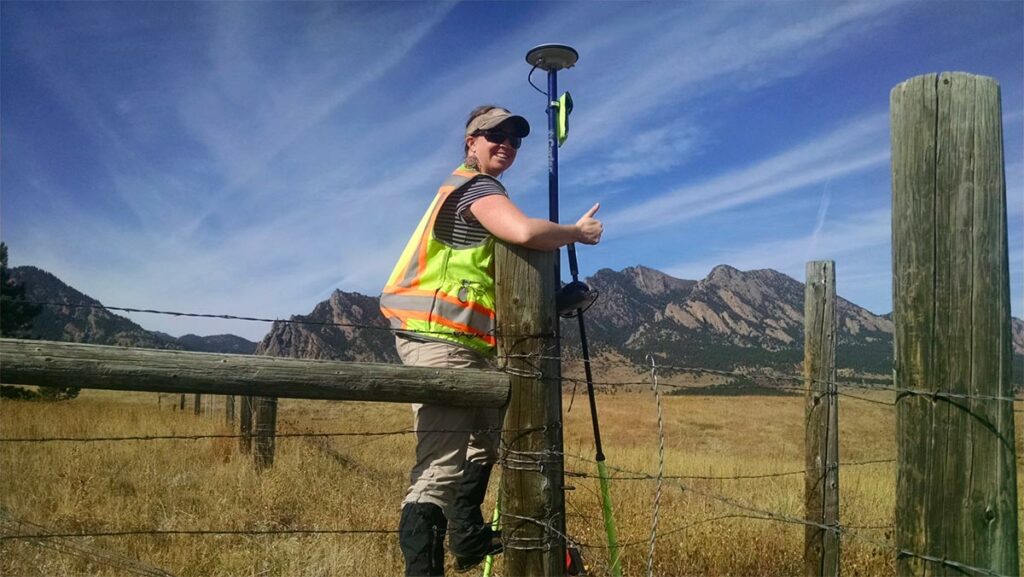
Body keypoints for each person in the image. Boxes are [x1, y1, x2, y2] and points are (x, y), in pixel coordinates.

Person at [380, 105, 602, 576]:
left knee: (484, 442)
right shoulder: (475, 187)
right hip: (437, 339)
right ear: (471, 143)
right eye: (494, 134)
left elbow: (487, 283)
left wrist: (550, 302)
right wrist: (576, 234)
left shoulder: (472, 191)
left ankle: (467, 537)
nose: (506, 143)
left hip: (465, 342)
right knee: (437, 470)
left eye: (515, 138)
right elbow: (523, 231)